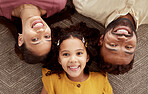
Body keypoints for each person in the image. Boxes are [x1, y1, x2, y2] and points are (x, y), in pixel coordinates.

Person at [73, 0, 148, 74]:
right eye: (128, 47)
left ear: (101, 40)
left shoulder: (85, 4)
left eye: (113, 45)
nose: (122, 39)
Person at [41, 22, 113, 94]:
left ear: (87, 57)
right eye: (66, 54)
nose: (73, 60)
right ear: (59, 59)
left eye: (79, 53)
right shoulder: (52, 80)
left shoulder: (101, 80)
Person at [0, 0, 67, 63]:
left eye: (35, 39)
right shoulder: (56, 3)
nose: (41, 30)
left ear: (21, 39)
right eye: (47, 36)